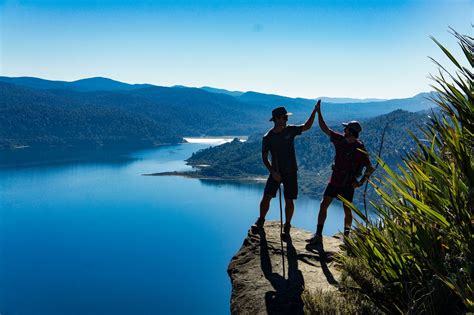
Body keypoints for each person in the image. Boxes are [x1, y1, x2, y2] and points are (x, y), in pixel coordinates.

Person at [306, 101, 374, 244]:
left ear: (350, 131)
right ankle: (318, 235)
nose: (344, 130)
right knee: (324, 204)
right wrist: (318, 112)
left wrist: (360, 183)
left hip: (347, 183)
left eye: (346, 128)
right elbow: (324, 128)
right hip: (337, 180)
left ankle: (346, 239)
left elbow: (370, 168)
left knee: (345, 210)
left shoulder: (360, 148)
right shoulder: (341, 140)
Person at [252, 101, 320, 238]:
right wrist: (273, 172)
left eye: (286, 117)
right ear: (276, 119)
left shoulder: (290, 130)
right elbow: (264, 157)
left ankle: (287, 226)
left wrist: (315, 112)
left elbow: (307, 126)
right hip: (276, 172)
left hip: (290, 171)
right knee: (266, 197)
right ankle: (261, 220)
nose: (287, 119)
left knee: (289, 200)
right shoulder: (268, 137)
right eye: (284, 117)